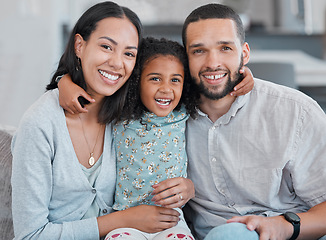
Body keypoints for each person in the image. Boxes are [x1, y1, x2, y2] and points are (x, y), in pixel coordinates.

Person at [11, 2, 193, 239]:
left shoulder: (127, 113)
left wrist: (188, 188)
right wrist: (122, 220)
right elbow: (29, 235)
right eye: (106, 46)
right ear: (79, 45)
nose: (117, 63)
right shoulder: (39, 125)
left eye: (129, 53)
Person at [181, 3, 326, 240]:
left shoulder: (296, 112)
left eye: (225, 48)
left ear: (244, 53)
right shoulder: (167, 113)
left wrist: (283, 226)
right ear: (184, 58)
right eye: (198, 51)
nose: (212, 62)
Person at [104, 36, 196, 240]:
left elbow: (220, 88)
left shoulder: (182, 112)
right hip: (125, 218)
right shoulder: (120, 113)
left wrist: (247, 75)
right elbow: (85, 85)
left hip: (171, 219)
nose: (166, 88)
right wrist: (64, 83)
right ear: (136, 80)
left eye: (175, 80)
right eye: (155, 78)